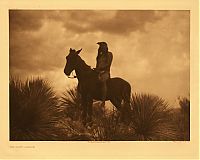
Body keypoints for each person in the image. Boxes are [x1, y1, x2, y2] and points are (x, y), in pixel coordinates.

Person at [95, 42, 113, 108]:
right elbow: (97, 65)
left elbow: (108, 64)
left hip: (105, 72)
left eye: (103, 47)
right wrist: (96, 69)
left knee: (103, 82)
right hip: (98, 72)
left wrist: (100, 68)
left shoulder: (109, 54)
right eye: (101, 47)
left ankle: (103, 101)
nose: (102, 48)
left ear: (106, 48)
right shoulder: (99, 56)